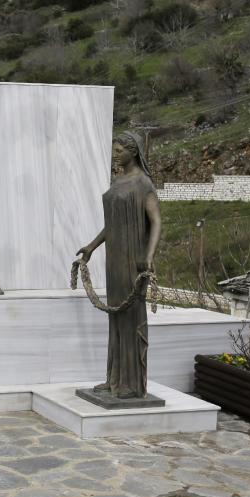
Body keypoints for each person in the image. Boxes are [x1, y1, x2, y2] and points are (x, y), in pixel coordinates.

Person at [77, 131, 161, 399]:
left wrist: (149, 256)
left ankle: (132, 384)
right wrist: (91, 247)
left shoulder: (143, 183)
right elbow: (111, 225)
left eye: (120, 150)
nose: (115, 154)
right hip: (114, 257)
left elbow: (157, 221)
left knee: (130, 318)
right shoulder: (118, 181)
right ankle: (114, 379)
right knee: (116, 319)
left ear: (133, 151)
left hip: (134, 259)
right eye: (114, 150)